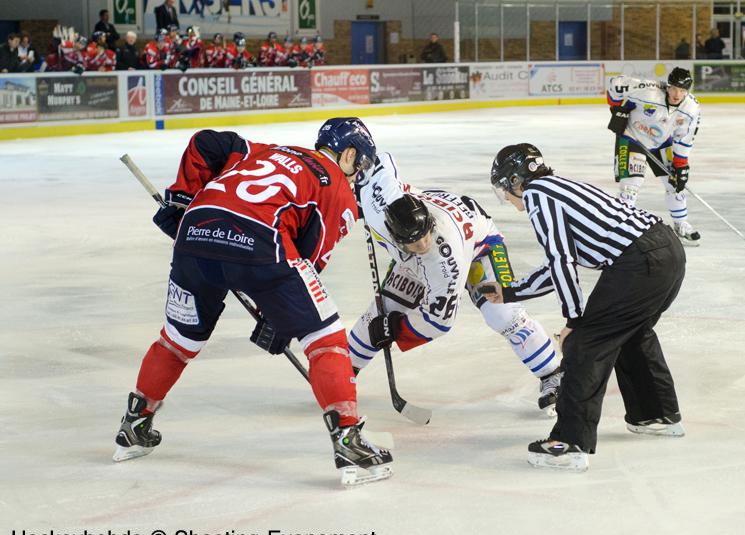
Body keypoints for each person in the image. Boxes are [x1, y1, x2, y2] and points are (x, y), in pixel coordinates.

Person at [112, 118, 394, 487]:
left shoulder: (269, 151)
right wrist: (277, 314)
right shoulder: (337, 187)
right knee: (324, 337)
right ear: (349, 154)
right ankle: (348, 439)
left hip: (194, 232)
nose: (357, 175)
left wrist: (183, 200)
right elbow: (307, 260)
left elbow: (206, 142)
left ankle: (135, 423)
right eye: (360, 164)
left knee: (178, 340)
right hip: (260, 240)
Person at [483, 144, 686, 472]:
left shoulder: (537, 195)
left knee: (585, 343)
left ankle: (569, 443)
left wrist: (574, 321)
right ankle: (656, 414)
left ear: (516, 180)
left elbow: (561, 260)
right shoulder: (558, 187)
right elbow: (560, 263)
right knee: (631, 333)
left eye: (504, 189)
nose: (506, 197)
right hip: (667, 250)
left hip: (638, 261)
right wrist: (510, 291)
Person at [348, 153, 563, 413]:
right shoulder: (380, 209)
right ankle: (341, 372)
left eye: (425, 235)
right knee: (380, 312)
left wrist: (396, 328)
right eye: (415, 242)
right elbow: (380, 160)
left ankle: (553, 374)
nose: (423, 244)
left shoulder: (445, 263)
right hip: (422, 248)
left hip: (479, 246)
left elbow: (439, 321)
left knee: (503, 314)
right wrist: (355, 188)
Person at [606, 67, 702, 244]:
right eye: (674, 88)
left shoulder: (691, 108)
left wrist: (681, 165)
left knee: (675, 184)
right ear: (668, 86)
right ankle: (621, 227)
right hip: (632, 137)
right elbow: (615, 84)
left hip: (662, 142)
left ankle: (681, 223)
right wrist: (616, 108)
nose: (677, 94)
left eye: (682, 90)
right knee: (631, 186)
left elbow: (684, 137)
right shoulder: (648, 90)